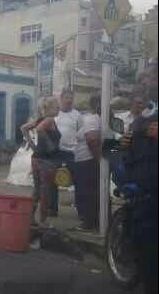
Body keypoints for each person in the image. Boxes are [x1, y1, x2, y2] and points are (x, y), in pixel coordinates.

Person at [122, 76, 158, 294]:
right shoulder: (142, 117)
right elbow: (129, 147)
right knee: (145, 244)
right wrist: (126, 140)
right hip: (144, 188)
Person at [23, 97, 64, 227]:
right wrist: (50, 144)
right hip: (46, 160)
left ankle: (30, 218)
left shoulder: (39, 119)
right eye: (56, 106)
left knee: (37, 190)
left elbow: (23, 128)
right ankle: (43, 221)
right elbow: (40, 129)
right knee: (45, 191)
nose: (58, 108)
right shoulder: (49, 119)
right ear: (49, 108)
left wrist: (31, 144)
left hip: (36, 158)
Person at [74, 95, 102, 231]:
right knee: (86, 192)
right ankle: (90, 221)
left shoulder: (93, 119)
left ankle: (89, 222)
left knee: (89, 192)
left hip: (88, 161)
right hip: (83, 161)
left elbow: (92, 141)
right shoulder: (91, 118)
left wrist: (98, 160)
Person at [52, 90, 82, 217]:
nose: (69, 100)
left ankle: (81, 210)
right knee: (52, 181)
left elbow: (82, 132)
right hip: (56, 152)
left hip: (72, 152)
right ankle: (52, 209)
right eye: (66, 98)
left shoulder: (77, 115)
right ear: (61, 99)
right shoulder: (55, 114)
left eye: (71, 98)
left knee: (78, 181)